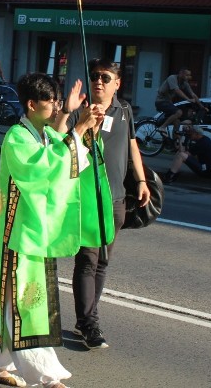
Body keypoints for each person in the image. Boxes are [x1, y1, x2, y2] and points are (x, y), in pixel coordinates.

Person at [0, 73, 110, 388]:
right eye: (51, 101)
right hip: (19, 235)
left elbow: (67, 156)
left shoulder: (43, 135)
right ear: (31, 104)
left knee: (16, 303)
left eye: (57, 101)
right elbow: (45, 169)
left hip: (38, 231)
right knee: (29, 306)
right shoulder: (17, 137)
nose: (56, 106)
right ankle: (48, 379)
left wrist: (88, 128)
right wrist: (76, 129)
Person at [57, 59, 150, 350]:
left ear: (117, 83)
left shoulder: (124, 110)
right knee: (87, 260)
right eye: (95, 76)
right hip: (86, 197)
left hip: (116, 198)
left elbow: (132, 145)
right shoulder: (81, 111)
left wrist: (142, 180)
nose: (98, 82)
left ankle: (84, 318)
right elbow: (59, 141)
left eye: (105, 78)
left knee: (102, 263)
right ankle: (89, 324)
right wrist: (78, 118)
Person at [155, 68, 203, 132]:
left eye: (189, 75)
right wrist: (188, 99)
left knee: (177, 123)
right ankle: (162, 127)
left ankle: (174, 141)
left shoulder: (184, 83)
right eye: (187, 75)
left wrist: (201, 106)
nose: (189, 77)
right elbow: (177, 90)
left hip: (168, 102)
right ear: (181, 74)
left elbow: (192, 94)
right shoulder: (172, 78)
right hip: (161, 101)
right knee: (179, 112)